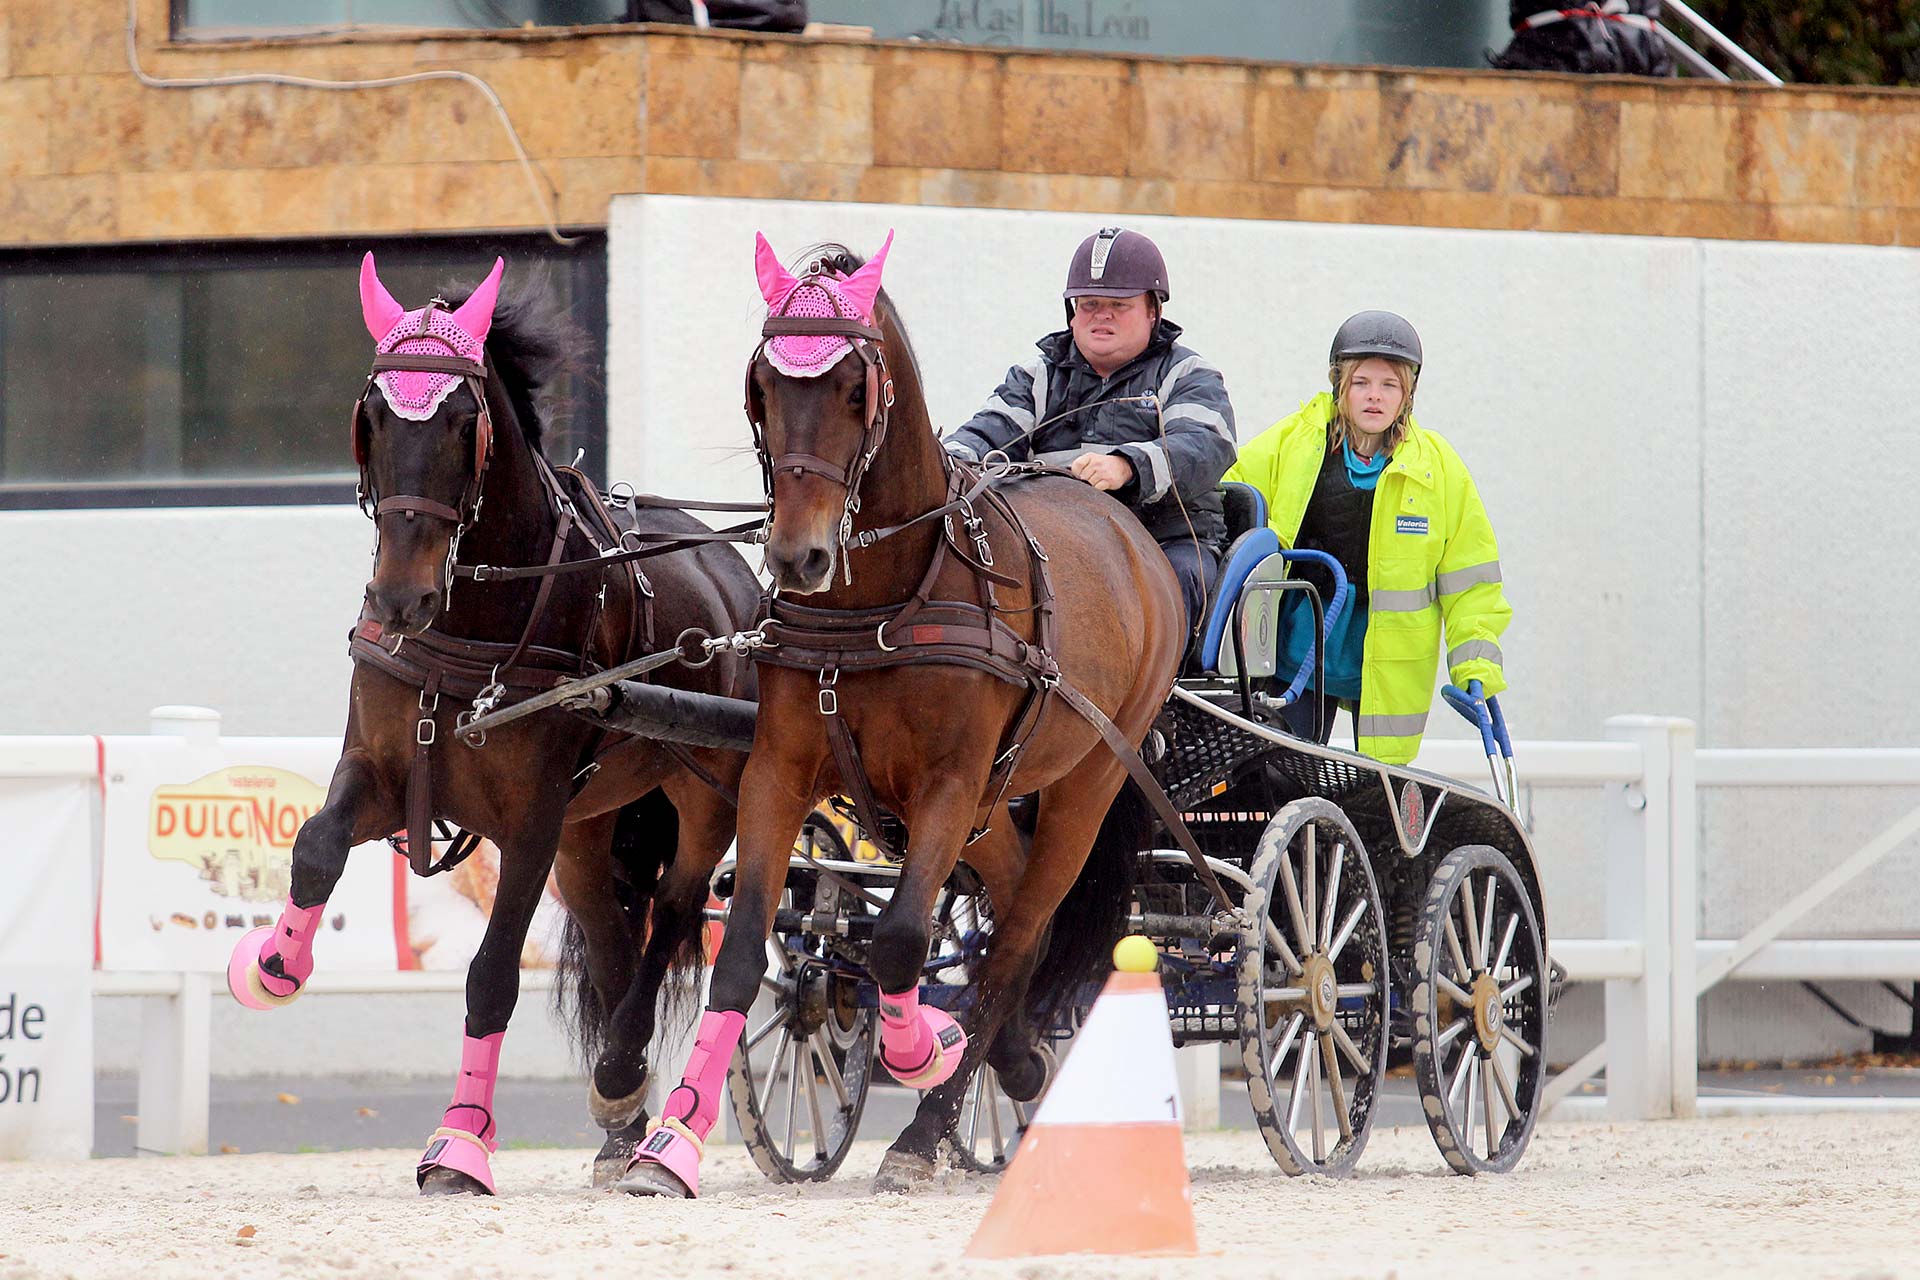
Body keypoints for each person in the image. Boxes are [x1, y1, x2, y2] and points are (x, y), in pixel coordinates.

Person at [1223, 311, 1511, 765]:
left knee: (1377, 805)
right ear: (1340, 385)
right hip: (1300, 652)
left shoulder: (1437, 471)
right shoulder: (1295, 443)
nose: (1374, 397)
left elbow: (1470, 582)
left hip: (1386, 668)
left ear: (1408, 395)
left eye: (1389, 385)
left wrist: (1476, 665)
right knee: (1279, 777)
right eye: (1361, 383)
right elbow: (1230, 498)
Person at [943, 227, 1237, 634]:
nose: (1102, 314)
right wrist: (944, 464)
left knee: (1184, 575)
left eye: (1119, 304)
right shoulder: (1036, 376)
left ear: (1153, 310)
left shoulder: (1188, 374)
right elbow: (988, 431)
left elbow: (1205, 445)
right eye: (1090, 303)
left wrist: (1128, 466)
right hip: (1053, 544)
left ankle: (1162, 694)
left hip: (1162, 542)